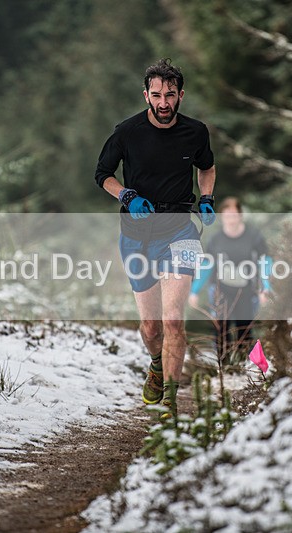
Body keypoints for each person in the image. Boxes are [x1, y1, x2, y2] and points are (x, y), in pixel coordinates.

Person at [94, 58, 216, 419]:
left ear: (181, 96)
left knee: (173, 319)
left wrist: (206, 197)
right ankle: (156, 361)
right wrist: (126, 195)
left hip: (180, 230)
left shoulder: (196, 132)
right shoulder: (127, 132)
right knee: (151, 328)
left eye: (171, 95)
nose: (164, 103)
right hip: (136, 236)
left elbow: (206, 167)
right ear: (146, 95)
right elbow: (102, 174)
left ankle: (171, 402)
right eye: (157, 95)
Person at [188, 197, 271, 364]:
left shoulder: (253, 237)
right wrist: (194, 291)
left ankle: (244, 365)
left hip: (246, 290)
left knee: (244, 329)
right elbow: (207, 265)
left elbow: (265, 262)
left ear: (240, 216)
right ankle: (223, 367)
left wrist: (265, 287)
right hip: (221, 290)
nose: (231, 219)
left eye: (234, 215)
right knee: (221, 329)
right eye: (226, 215)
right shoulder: (216, 240)